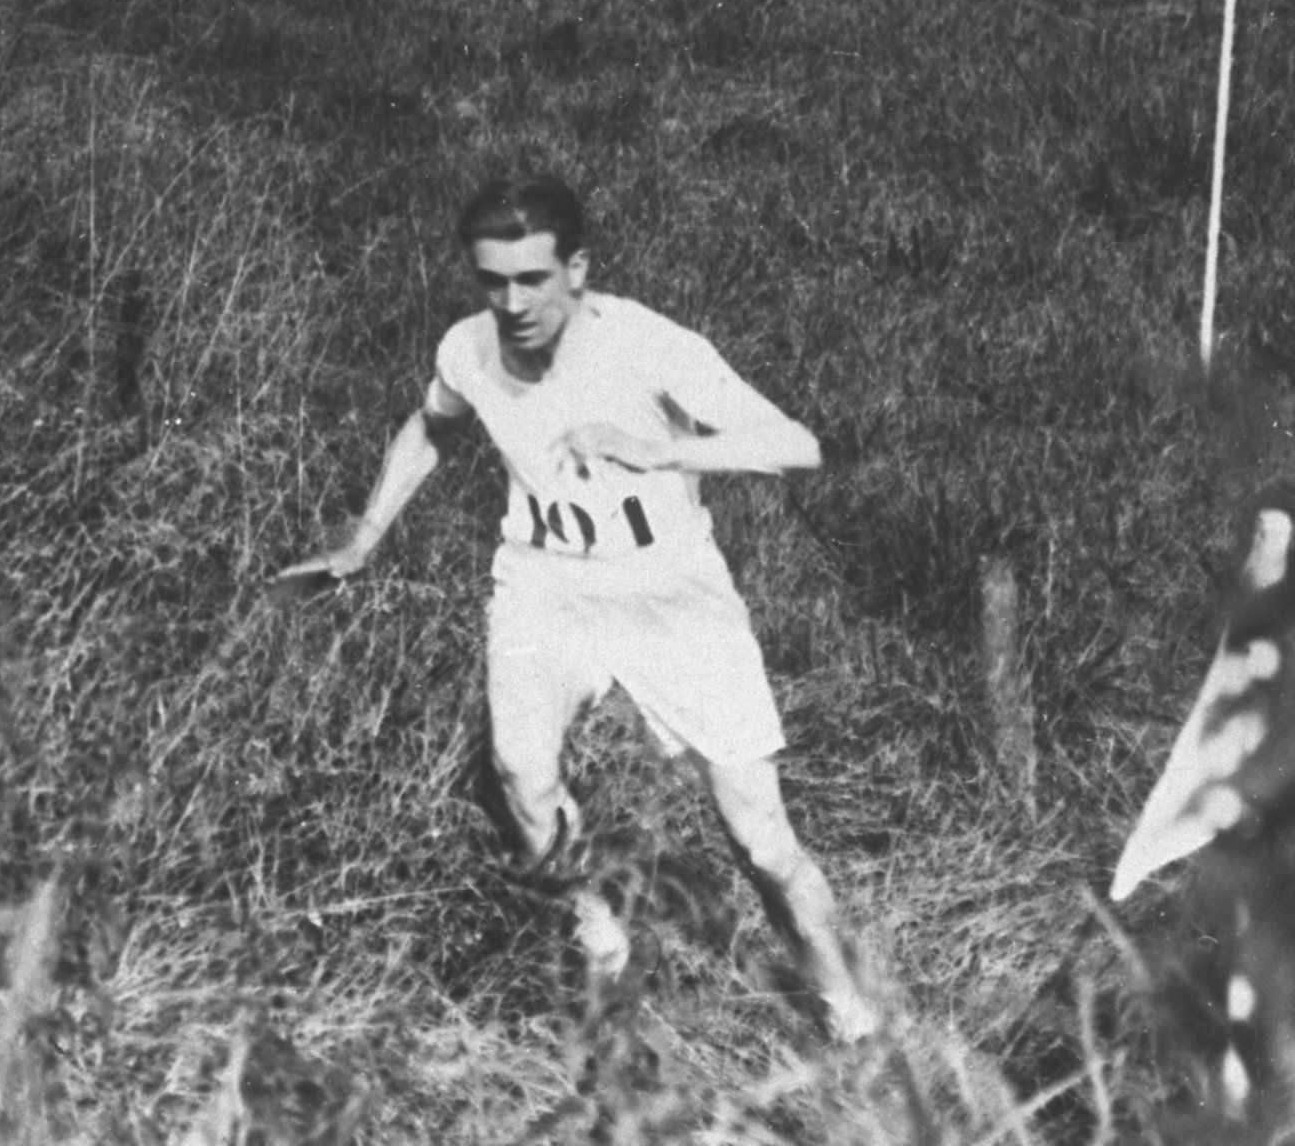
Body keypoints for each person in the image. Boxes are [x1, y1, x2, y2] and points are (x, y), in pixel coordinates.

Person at [284, 176, 879, 1036]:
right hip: (543, 581)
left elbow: (798, 445)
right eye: (494, 281)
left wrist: (664, 450)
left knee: (761, 842)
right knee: (523, 776)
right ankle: (599, 944)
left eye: (533, 279)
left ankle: (849, 1010)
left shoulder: (647, 344)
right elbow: (431, 426)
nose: (513, 302)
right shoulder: (469, 349)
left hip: (669, 588)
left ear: (578, 271)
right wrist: (363, 538)